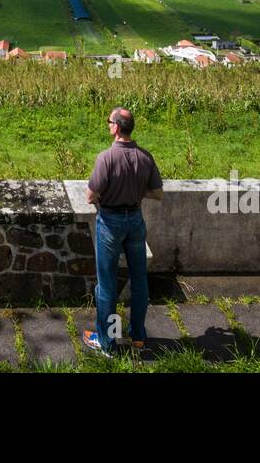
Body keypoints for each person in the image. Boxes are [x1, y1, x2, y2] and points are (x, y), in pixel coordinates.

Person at [81, 106, 163, 356]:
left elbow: (90, 196)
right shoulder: (145, 157)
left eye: (109, 122)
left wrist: (108, 193)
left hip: (110, 222)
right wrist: (136, 192)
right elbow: (157, 194)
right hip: (135, 221)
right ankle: (138, 337)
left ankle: (107, 343)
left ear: (116, 127)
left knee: (106, 285)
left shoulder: (106, 158)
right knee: (139, 281)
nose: (108, 126)